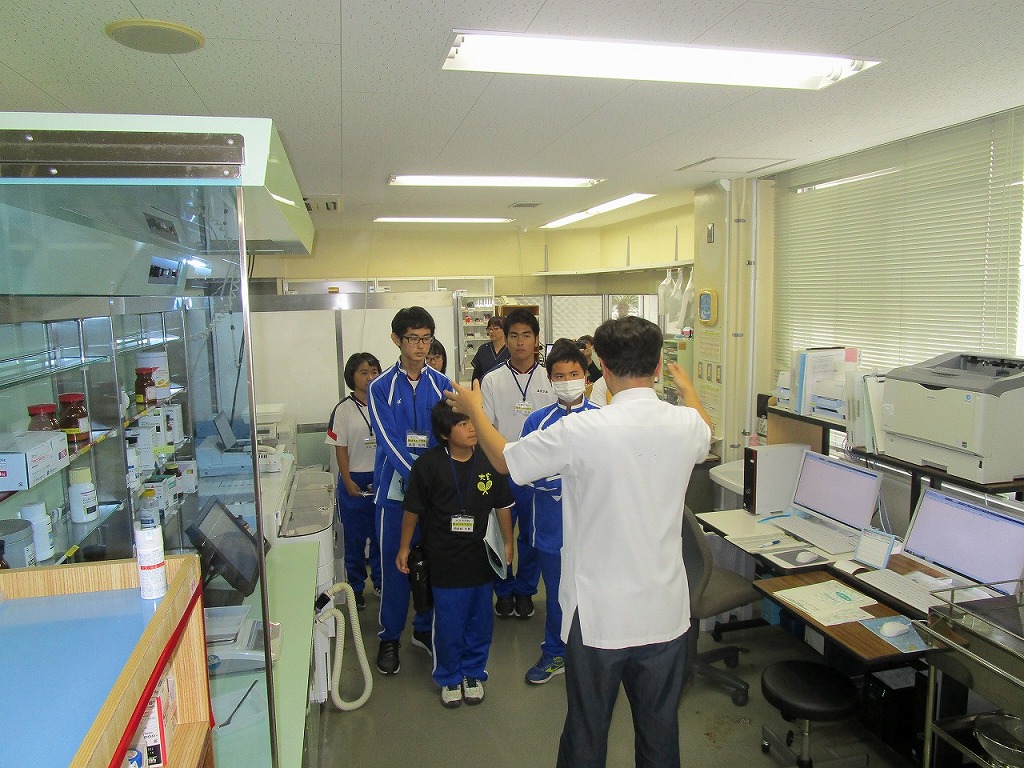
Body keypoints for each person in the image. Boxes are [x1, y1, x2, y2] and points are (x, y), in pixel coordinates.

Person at [446, 316, 712, 768]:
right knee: (660, 736)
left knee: (587, 734)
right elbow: (704, 427)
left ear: (600, 367)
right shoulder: (686, 424)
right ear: (657, 365)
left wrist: (474, 408)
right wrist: (687, 390)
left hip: (598, 616)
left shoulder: (581, 431)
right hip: (665, 614)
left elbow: (506, 461)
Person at [397, 401, 514, 708]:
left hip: (482, 556)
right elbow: (412, 509)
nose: (472, 429)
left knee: (480, 620)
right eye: (463, 424)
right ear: (444, 434)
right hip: (444, 558)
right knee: (449, 622)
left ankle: (473, 672)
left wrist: (508, 542)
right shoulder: (428, 465)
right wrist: (404, 547)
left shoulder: (489, 460)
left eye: (472, 421)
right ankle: (448, 676)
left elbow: (502, 504)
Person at [367, 306, 453, 675]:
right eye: (412, 338)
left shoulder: (442, 385)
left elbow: (449, 433)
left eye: (426, 338)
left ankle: (423, 630)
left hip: (435, 494)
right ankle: (389, 637)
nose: (420, 346)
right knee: (395, 566)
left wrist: (438, 480)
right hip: (395, 494)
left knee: (430, 565)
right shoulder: (380, 387)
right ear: (396, 340)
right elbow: (387, 440)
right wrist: (420, 477)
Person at [520, 339, 599, 686]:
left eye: (574, 374)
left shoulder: (602, 420)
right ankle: (555, 653)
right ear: (550, 380)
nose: (568, 381)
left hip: (594, 529)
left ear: (586, 376)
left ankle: (595, 655)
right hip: (552, 528)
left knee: (594, 594)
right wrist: (560, 480)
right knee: (556, 595)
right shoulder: (537, 422)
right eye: (560, 375)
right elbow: (523, 470)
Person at [480, 307, 555, 619]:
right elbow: (486, 427)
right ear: (505, 339)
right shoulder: (492, 380)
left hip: (539, 471)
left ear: (536, 340)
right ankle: (503, 591)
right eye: (514, 336)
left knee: (531, 536)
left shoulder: (551, 377)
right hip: (502, 470)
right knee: (501, 534)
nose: (520, 342)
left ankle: (525, 591)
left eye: (526, 335)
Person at [325, 352, 382, 609]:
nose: (370, 378)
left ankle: (380, 582)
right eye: (364, 373)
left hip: (380, 476)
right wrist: (347, 480)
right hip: (354, 478)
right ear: (352, 376)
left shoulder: (384, 403)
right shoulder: (343, 409)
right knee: (355, 539)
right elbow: (340, 448)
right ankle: (356, 588)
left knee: (381, 535)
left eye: (374, 372)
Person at [470, 316, 510, 383]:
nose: (491, 332)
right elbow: (476, 375)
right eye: (489, 329)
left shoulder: (511, 349)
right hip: (485, 386)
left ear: (505, 330)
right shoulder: (483, 349)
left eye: (496, 329)